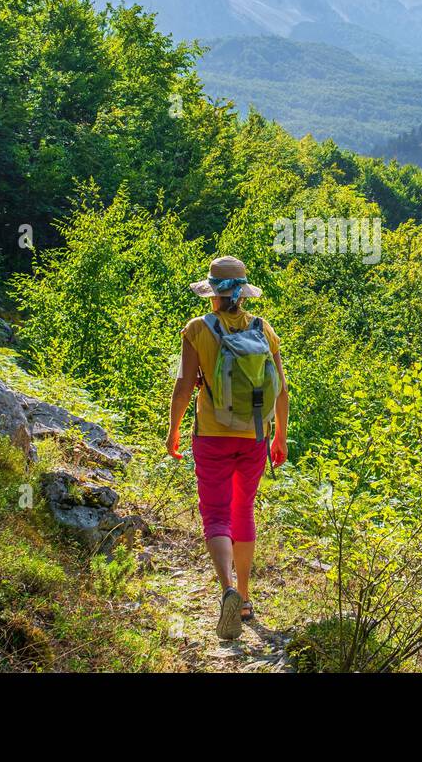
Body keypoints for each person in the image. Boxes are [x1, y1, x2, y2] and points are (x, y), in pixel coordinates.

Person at [165, 256, 289, 639]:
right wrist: (280, 435)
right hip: (254, 436)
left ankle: (228, 590)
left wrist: (172, 430)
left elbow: (184, 385)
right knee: (243, 510)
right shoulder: (262, 329)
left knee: (216, 514)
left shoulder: (198, 329)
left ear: (212, 292)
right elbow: (281, 388)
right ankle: (247, 598)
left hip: (212, 434)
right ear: (243, 292)